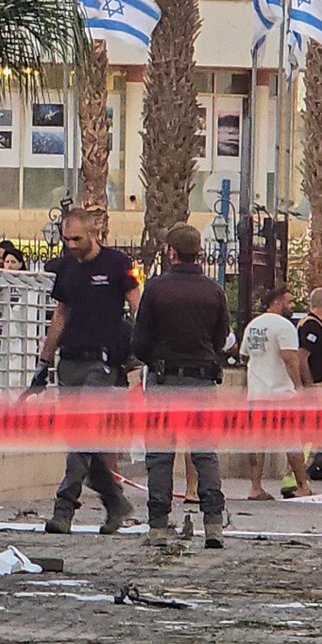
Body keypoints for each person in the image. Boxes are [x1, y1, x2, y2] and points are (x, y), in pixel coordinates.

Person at [36, 209, 141, 535]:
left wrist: (137, 348)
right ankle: (116, 502)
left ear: (93, 233)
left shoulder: (116, 263)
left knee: (83, 435)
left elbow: (137, 306)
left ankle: (64, 507)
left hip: (102, 362)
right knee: (81, 439)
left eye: (76, 239)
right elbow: (60, 314)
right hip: (70, 360)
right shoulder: (67, 267)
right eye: (66, 239)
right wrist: (45, 358)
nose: (71, 245)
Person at [130, 223, 229, 547]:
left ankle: (158, 525)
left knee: (160, 456)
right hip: (202, 382)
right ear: (197, 252)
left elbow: (139, 341)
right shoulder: (213, 291)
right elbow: (220, 338)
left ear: (170, 251)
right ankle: (213, 524)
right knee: (205, 454)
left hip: (164, 380)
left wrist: (156, 360)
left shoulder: (157, 289)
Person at [241, 286, 312, 501]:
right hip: (281, 394)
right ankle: (302, 485)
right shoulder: (284, 326)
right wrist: (299, 388)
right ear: (277, 303)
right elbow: (290, 359)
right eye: (289, 302)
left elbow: (245, 356)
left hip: (257, 393)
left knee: (257, 442)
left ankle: (255, 487)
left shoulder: (253, 325)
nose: (292, 306)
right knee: (292, 440)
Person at [296, 287, 322, 387]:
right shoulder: (312, 326)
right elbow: (302, 356)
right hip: (315, 384)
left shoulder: (309, 323)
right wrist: (309, 383)